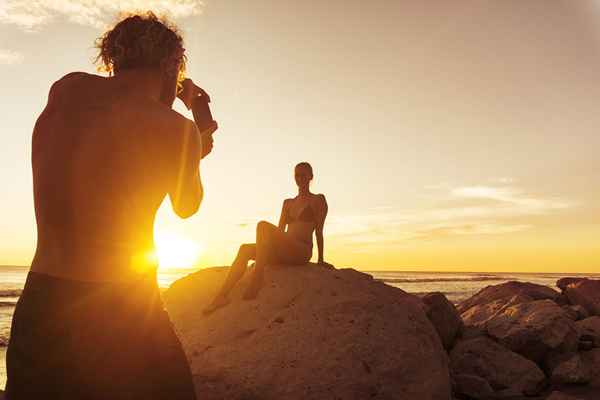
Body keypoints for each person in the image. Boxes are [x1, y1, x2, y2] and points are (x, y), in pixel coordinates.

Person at [6, 12, 216, 399]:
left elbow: (115, 138)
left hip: (44, 304)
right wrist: (201, 125)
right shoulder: (176, 130)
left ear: (113, 58)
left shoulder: (67, 90)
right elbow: (188, 205)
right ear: (172, 64)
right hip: (126, 310)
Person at [204, 162, 330, 314]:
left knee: (262, 225)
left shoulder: (318, 200)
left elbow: (319, 231)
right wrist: (266, 249)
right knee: (244, 249)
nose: (299, 178)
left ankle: (258, 276)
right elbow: (279, 232)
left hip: (301, 251)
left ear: (311, 177)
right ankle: (221, 296)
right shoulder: (288, 203)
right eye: (297, 175)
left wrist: (321, 259)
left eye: (303, 175)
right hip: (285, 250)